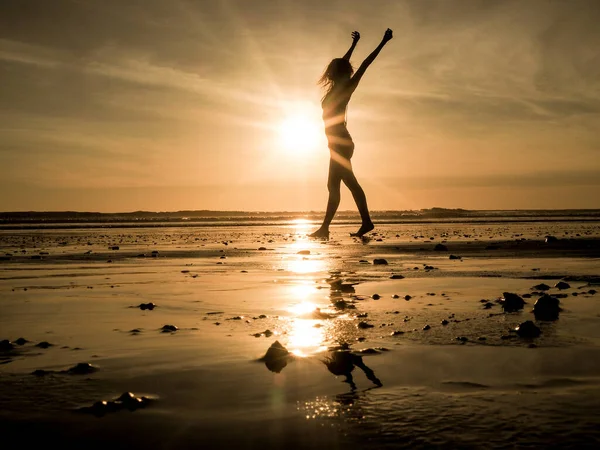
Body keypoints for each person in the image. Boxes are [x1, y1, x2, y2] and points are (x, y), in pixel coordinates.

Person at [309, 28, 393, 239]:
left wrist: (383, 42)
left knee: (346, 183)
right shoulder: (336, 86)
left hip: (342, 144)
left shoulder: (347, 86)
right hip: (335, 144)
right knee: (335, 185)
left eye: (331, 69)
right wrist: (354, 45)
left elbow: (365, 64)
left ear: (335, 72)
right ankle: (331, 227)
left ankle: (357, 223)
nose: (328, 72)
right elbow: (343, 63)